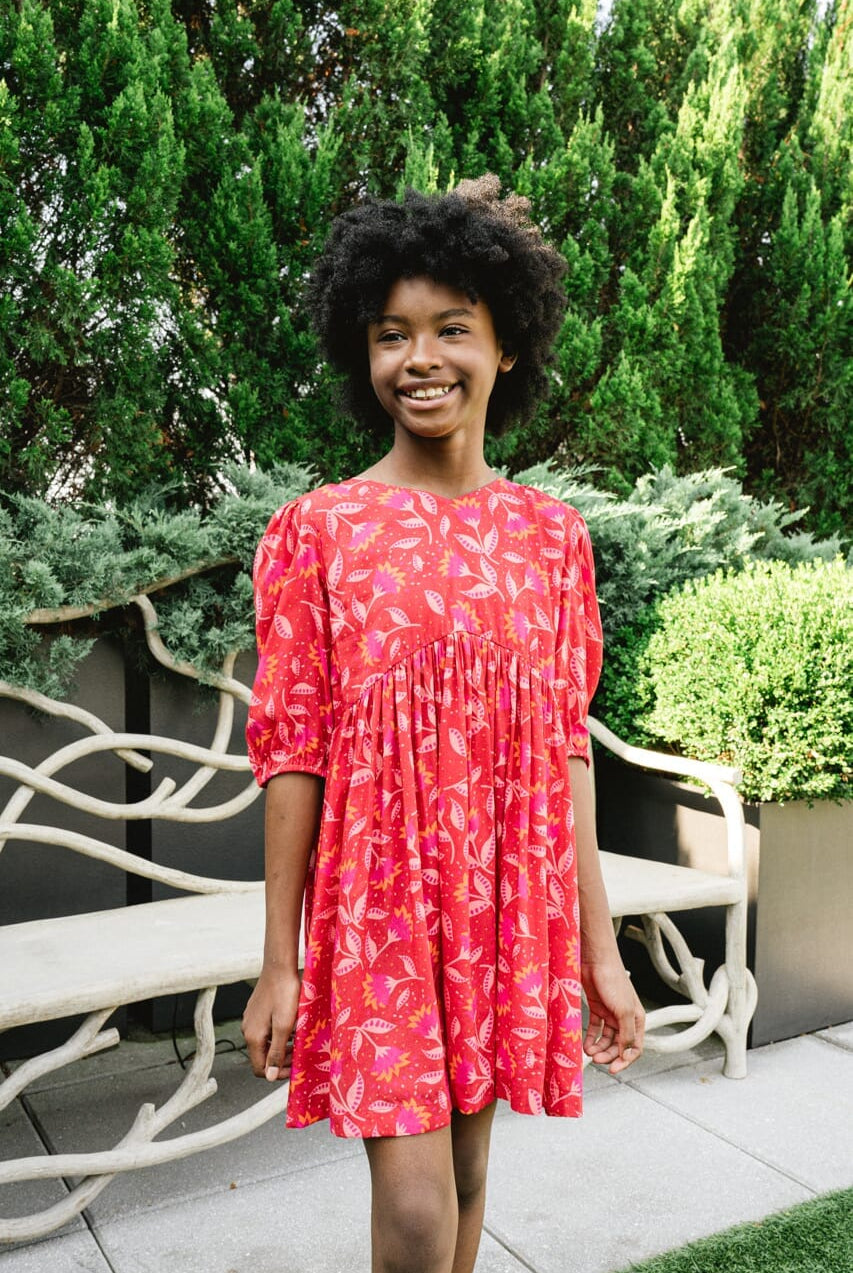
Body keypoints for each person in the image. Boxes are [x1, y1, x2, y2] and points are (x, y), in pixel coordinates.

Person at [241, 175, 645, 1273]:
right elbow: (293, 753)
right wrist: (278, 961)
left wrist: (600, 953)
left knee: (467, 1175)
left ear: (505, 348)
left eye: (450, 328)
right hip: (375, 908)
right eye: (391, 334)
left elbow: (563, 752)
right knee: (418, 1211)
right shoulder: (319, 531)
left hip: (501, 908)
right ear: (361, 353)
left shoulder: (552, 538)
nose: (419, 357)